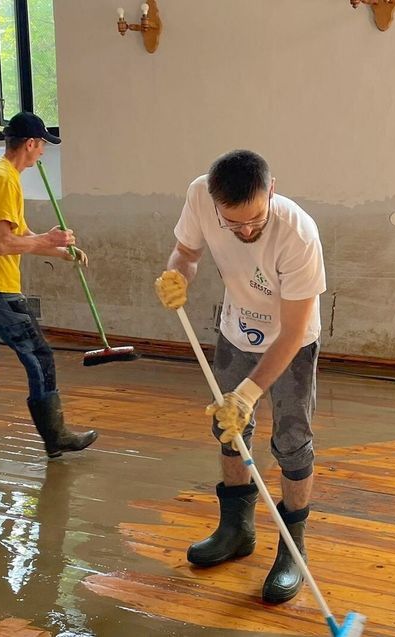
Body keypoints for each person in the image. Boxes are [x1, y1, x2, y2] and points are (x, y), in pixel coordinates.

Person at [155, 150, 326, 604]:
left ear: (272, 190)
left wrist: (249, 392)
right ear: (215, 205)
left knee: (291, 440)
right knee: (229, 429)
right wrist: (177, 275)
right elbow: (187, 252)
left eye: (255, 220)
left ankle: (293, 550)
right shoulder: (199, 195)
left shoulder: (298, 234)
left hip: (292, 340)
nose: (246, 231)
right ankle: (236, 529)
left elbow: (290, 333)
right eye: (234, 224)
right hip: (236, 330)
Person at [0, 112, 97, 472]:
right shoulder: (3, 180)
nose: (42, 153)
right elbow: (3, 243)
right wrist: (48, 239)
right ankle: (55, 437)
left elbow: (21, 237)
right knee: (39, 356)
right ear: (30, 144)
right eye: (42, 146)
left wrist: (59, 250)